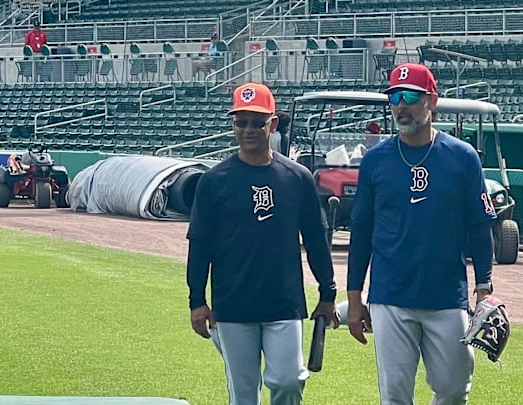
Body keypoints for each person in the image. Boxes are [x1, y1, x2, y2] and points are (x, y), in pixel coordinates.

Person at [346, 62, 498, 405]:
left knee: (455, 387)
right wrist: (355, 298)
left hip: (446, 293)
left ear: (432, 101)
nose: (401, 104)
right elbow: (362, 232)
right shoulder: (375, 160)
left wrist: (484, 286)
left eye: (410, 96)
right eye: (394, 97)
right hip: (390, 294)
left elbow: (479, 224)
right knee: (395, 394)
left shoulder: (462, 157)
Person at [186, 82, 340, 405]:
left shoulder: (297, 178)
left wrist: (328, 294)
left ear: (273, 123)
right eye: (240, 122)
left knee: (287, 381)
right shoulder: (214, 181)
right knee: (243, 396)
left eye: (258, 122)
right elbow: (200, 244)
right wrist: (197, 301)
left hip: (283, 303)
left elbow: (315, 240)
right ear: (233, 124)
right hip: (232, 304)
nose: (249, 129)